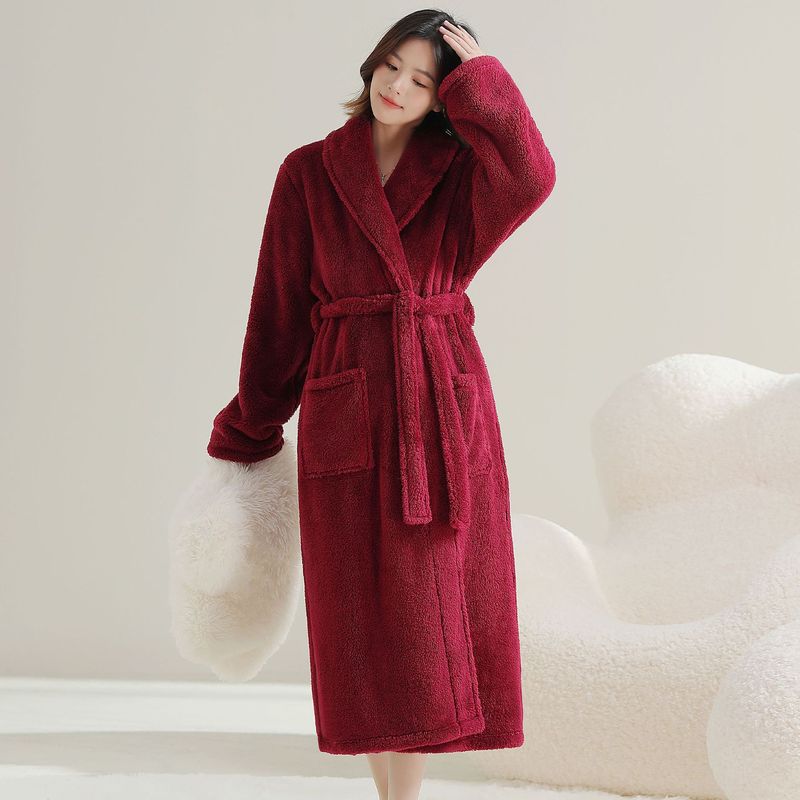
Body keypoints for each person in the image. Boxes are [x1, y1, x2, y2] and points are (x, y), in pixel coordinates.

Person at [169, 9, 556, 800]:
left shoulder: (461, 171)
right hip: (345, 404)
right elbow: (279, 312)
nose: (398, 87)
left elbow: (533, 176)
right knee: (369, 625)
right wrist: (250, 426)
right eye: (391, 65)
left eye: (424, 79)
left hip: (437, 403)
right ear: (371, 63)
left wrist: (486, 81)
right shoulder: (308, 173)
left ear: (445, 95)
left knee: (421, 620)